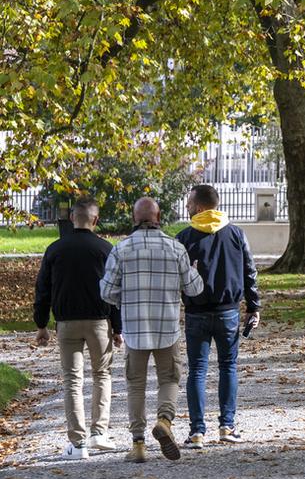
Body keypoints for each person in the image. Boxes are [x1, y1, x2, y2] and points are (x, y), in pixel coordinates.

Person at [100, 198, 204, 463]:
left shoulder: (120, 250)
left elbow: (106, 292)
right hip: (166, 327)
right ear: (159, 218)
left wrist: (127, 298)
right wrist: (193, 272)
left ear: (135, 219)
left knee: (136, 386)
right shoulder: (175, 248)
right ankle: (164, 420)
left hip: (134, 330)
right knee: (170, 379)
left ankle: (138, 445)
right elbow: (194, 289)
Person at [33, 198, 124, 459]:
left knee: (72, 380)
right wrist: (117, 328)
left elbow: (43, 290)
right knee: (102, 375)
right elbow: (114, 292)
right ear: (95, 220)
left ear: (72, 218)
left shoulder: (55, 249)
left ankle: (78, 442)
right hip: (99, 322)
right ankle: (99, 433)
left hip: (67, 323)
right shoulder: (106, 249)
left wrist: (41, 324)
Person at [176, 184, 262, 448]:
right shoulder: (236, 233)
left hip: (197, 311)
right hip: (228, 311)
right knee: (228, 367)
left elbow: (176, 275)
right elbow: (249, 270)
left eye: (190, 203)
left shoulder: (185, 237)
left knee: (198, 371)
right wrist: (254, 306)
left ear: (200, 206)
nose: (188, 208)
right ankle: (227, 426)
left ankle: (197, 431)